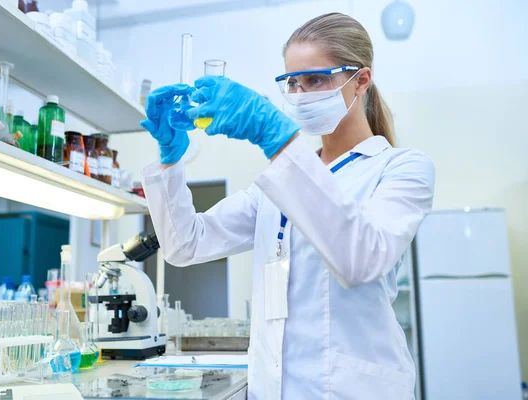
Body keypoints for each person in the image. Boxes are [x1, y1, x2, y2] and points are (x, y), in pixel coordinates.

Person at [140, 12, 434, 400]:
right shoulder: (275, 186)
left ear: (361, 80)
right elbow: (186, 245)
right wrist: (170, 160)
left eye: (315, 80)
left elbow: (361, 261)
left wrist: (273, 135)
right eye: (292, 83)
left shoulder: (402, 169)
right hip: (272, 388)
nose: (300, 95)